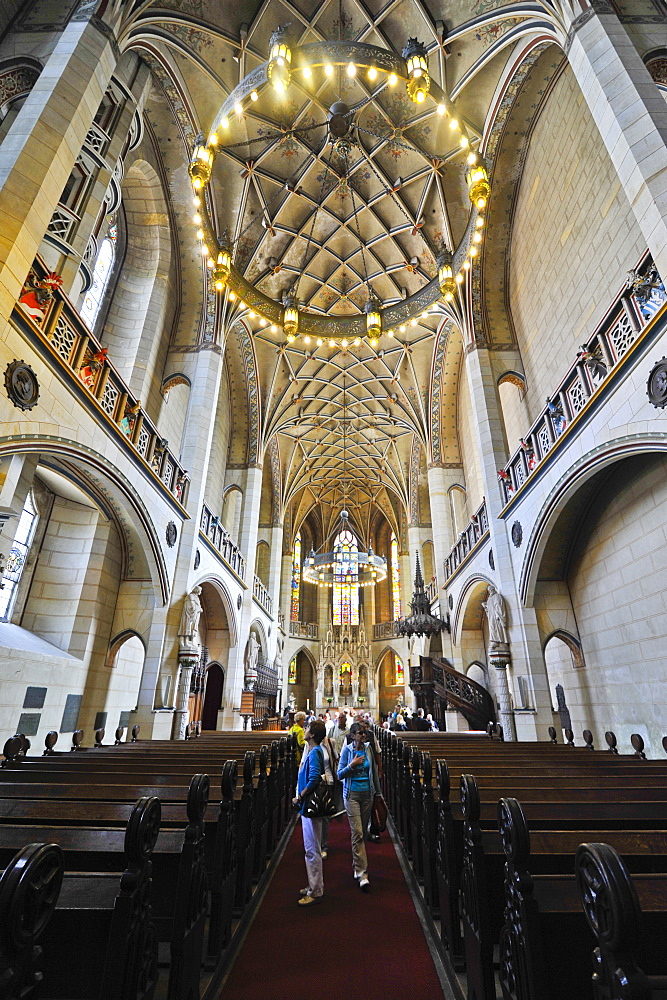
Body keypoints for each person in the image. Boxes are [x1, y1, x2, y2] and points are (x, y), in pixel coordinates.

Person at [337, 721, 382, 892]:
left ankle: (357, 863)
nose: (364, 735)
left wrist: (378, 794)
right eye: (361, 733)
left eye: (365, 733)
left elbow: (374, 773)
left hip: (367, 794)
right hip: (352, 795)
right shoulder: (347, 750)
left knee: (362, 832)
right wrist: (352, 765)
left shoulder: (369, 748)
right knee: (357, 833)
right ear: (353, 735)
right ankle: (362, 873)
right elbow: (340, 774)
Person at [292, 719, 327, 906]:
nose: (304, 730)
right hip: (308, 805)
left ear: (312, 734)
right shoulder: (314, 751)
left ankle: (315, 891)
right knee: (311, 847)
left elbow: (314, 778)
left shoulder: (315, 753)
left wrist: (300, 796)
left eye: (307, 729)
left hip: (310, 805)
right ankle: (314, 885)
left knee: (312, 849)